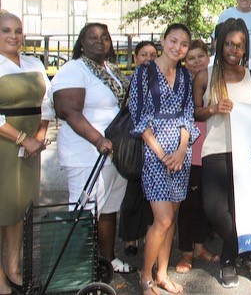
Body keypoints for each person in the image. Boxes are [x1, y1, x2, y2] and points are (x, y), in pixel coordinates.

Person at [52, 23, 134, 274]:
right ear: (82, 42)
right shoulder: (74, 69)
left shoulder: (109, 70)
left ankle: (107, 259)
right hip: (87, 153)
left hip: (113, 154)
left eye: (105, 37)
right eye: (93, 37)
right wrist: (98, 139)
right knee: (84, 213)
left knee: (108, 209)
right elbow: (68, 111)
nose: (100, 41)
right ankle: (78, 269)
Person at [193, 19, 251, 288]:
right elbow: (195, 112)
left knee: (238, 210)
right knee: (214, 210)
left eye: (239, 45)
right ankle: (247, 250)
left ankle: (228, 262)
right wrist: (213, 109)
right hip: (215, 150)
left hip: (247, 154)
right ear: (220, 43)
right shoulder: (206, 74)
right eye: (229, 44)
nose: (234, 50)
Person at [130, 24, 198, 295]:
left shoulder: (184, 75)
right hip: (155, 152)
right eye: (173, 41)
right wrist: (162, 155)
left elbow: (188, 115)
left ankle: (162, 273)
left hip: (180, 154)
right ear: (162, 40)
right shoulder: (144, 72)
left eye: (183, 44)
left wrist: (181, 149)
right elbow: (138, 118)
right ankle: (145, 277)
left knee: (174, 214)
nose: (177, 48)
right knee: (164, 219)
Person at [0, 11, 52, 295]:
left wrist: (40, 135)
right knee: (0, 207)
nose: (13, 36)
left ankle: (14, 267)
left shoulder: (34, 62)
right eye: (6, 30)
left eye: (18, 31)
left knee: (19, 209)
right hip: (4, 145)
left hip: (31, 147)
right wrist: (22, 138)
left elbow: (48, 102)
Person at [175, 40, 218, 274]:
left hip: (209, 148)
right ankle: (186, 252)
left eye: (200, 56)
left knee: (204, 202)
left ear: (208, 56)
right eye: (191, 58)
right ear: (185, 61)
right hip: (187, 151)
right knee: (188, 204)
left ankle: (200, 247)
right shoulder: (180, 82)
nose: (196, 61)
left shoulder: (214, 78)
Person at [120, 41, 157, 257]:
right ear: (136, 58)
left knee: (149, 194)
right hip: (136, 142)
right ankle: (129, 238)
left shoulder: (160, 79)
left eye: (152, 54)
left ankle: (146, 234)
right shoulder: (133, 80)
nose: (148, 59)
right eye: (143, 54)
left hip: (155, 143)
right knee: (132, 192)